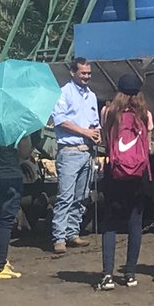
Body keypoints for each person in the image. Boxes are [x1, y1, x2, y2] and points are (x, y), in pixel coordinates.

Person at [95, 73, 153, 291]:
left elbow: (106, 139)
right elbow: (147, 143)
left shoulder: (108, 113)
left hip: (115, 174)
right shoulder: (145, 115)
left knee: (109, 224)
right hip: (137, 176)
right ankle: (130, 274)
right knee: (135, 224)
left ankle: (107, 275)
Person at [50, 57, 100, 255]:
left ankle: (73, 232)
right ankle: (59, 237)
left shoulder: (92, 96)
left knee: (81, 196)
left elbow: (95, 121)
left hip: (87, 152)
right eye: (83, 73)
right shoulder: (63, 93)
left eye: (88, 73)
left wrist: (96, 133)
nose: (86, 76)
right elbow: (60, 119)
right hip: (69, 152)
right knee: (65, 196)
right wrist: (84, 132)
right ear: (73, 72)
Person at [0, 133, 36, 280]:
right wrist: (26, 135)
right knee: (6, 222)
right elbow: (25, 154)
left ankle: (2, 260)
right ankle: (0, 266)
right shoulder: (14, 126)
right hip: (9, 178)